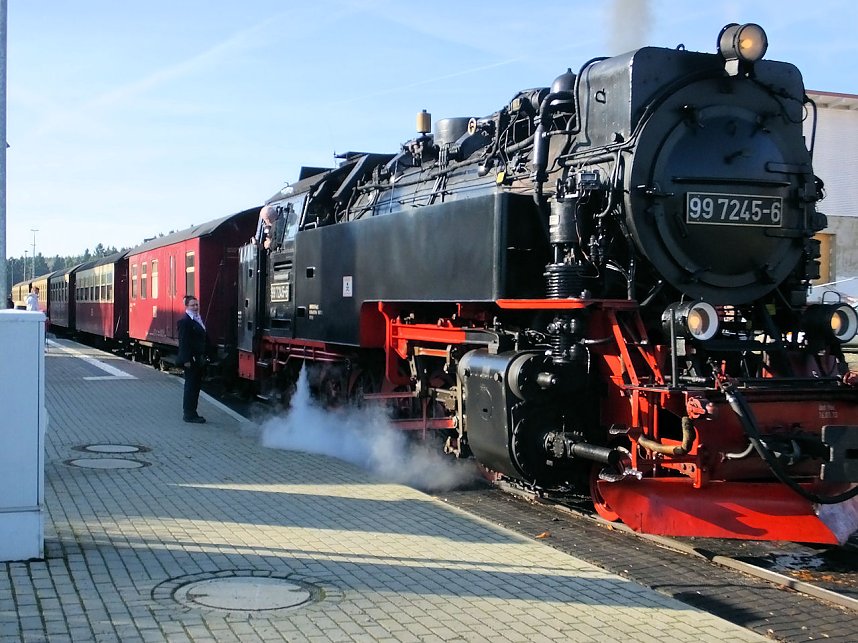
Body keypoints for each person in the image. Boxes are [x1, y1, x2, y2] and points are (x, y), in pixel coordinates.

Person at [176, 295, 208, 423]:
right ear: (187, 307)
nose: (195, 307)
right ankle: (188, 414)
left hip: (198, 358)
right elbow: (183, 342)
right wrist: (186, 360)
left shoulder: (197, 319)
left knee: (195, 386)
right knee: (191, 386)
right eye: (192, 305)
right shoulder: (185, 322)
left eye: (196, 305)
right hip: (191, 360)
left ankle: (193, 412)